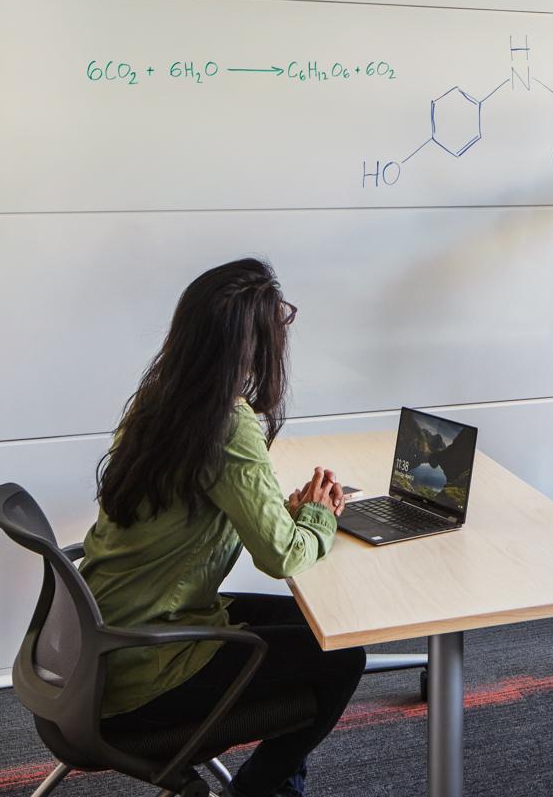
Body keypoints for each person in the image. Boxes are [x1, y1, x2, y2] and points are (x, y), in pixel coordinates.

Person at [81, 258, 364, 797]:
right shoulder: (227, 422)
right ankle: (258, 791)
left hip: (104, 643)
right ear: (254, 343)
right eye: (281, 322)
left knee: (318, 622)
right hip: (146, 668)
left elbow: (194, 510)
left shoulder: (160, 399)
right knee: (343, 655)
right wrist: (318, 518)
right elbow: (282, 558)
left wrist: (281, 510)